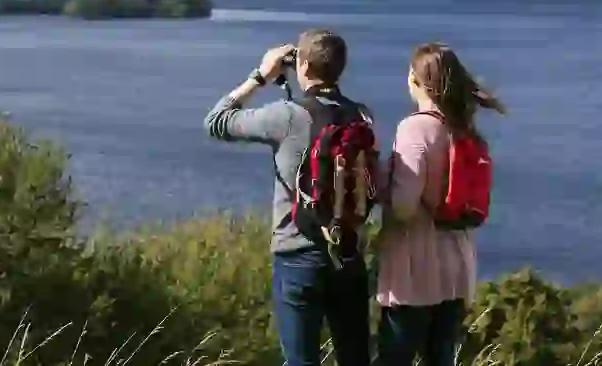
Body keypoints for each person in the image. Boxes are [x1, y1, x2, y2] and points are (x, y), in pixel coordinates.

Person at [203, 28, 373, 366]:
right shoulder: (362, 116)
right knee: (355, 360)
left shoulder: (286, 115)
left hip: (298, 255)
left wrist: (260, 76)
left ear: (303, 67)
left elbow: (216, 121)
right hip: (348, 252)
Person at [375, 42, 506, 366]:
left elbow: (403, 206)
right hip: (457, 270)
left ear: (415, 80)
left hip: (414, 273)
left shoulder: (415, 127)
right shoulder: (464, 130)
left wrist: (379, 188)